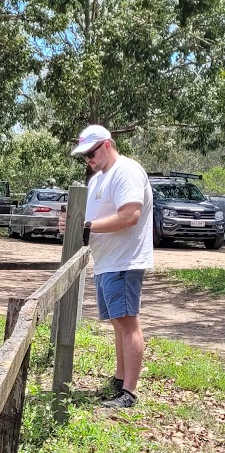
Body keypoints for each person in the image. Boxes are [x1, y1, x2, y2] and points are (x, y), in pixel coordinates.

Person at [71, 123, 153, 411]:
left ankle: (129, 392)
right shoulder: (97, 179)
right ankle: (119, 381)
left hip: (124, 260)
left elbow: (130, 215)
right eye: (84, 156)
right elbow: (89, 221)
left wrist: (85, 226)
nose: (88, 160)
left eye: (91, 153)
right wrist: (73, 225)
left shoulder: (126, 171)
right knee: (118, 323)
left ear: (107, 144)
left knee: (127, 322)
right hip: (106, 261)